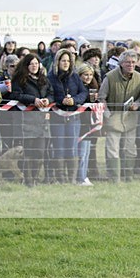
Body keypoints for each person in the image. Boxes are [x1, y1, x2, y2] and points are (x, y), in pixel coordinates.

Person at [99, 50, 140, 182]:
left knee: (130, 148)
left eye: (133, 62)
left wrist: (137, 103)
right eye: (128, 62)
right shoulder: (110, 77)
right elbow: (101, 98)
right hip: (114, 117)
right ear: (121, 63)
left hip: (130, 117)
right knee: (112, 148)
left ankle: (128, 176)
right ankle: (114, 178)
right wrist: (108, 115)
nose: (131, 65)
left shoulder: (139, 77)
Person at [10, 54, 52, 186]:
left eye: (36, 63)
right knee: (28, 151)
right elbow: (16, 94)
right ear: (26, 65)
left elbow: (51, 92)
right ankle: (28, 180)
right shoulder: (19, 79)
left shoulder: (44, 79)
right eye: (31, 64)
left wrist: (48, 100)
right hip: (26, 119)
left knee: (40, 151)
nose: (34, 66)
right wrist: (33, 100)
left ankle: (35, 177)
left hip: (42, 120)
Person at [49, 49, 87, 183]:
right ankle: (61, 178)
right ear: (57, 61)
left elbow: (83, 93)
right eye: (63, 60)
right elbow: (49, 94)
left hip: (73, 118)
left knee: (72, 148)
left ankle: (71, 179)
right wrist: (60, 101)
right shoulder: (51, 77)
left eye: (68, 61)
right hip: (57, 117)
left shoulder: (75, 77)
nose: (66, 63)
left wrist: (74, 100)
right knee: (58, 148)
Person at [76, 64, 100, 186]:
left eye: (90, 75)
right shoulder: (77, 88)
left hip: (90, 122)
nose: (88, 77)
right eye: (85, 74)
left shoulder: (93, 87)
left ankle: (84, 175)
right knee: (81, 151)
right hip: (79, 121)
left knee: (87, 151)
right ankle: (80, 176)